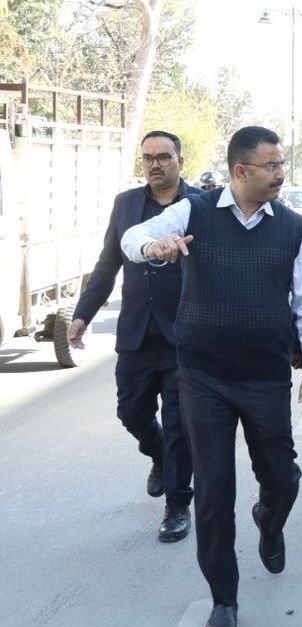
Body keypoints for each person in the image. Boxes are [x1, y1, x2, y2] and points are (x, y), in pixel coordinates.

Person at [121, 125, 302, 627]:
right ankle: (224, 600)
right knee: (214, 490)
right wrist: (154, 245)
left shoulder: (293, 227)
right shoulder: (193, 211)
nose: (280, 174)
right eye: (271, 166)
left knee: (281, 477)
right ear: (240, 171)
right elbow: (132, 238)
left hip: (264, 375)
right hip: (203, 376)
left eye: (281, 164)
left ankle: (269, 520)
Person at [67, 130, 198, 543]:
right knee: (132, 413)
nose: (155, 164)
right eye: (148, 158)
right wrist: (83, 314)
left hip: (183, 337)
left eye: (163, 156)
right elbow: (108, 264)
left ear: (180, 161)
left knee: (179, 426)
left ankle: (177, 506)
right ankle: (158, 455)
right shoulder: (126, 204)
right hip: (137, 334)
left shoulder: (199, 205)